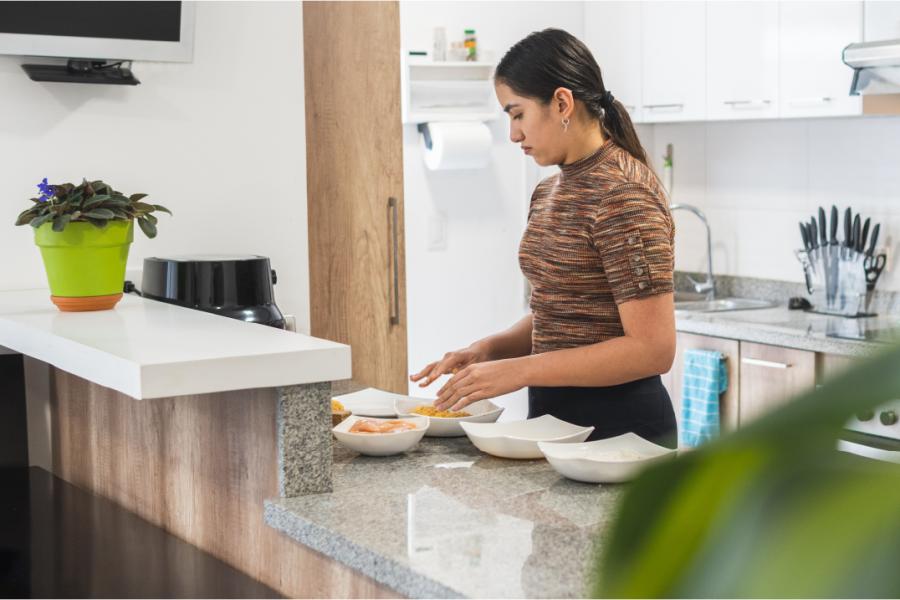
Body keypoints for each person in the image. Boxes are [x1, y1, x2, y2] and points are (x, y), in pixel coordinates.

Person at [410, 28, 677, 448]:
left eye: (517, 114)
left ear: (562, 102)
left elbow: (653, 349)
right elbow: (566, 309)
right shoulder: (550, 190)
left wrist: (521, 370)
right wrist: (491, 350)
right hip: (553, 421)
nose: (513, 134)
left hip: (622, 432)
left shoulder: (623, 194)